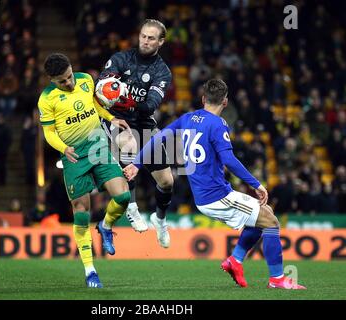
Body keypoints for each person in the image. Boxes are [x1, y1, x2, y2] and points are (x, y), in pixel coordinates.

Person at [124, 79, 306, 290]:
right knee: (271, 222)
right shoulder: (218, 125)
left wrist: (137, 163)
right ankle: (277, 279)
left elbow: (158, 138)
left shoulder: (187, 118)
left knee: (262, 215)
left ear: (203, 99)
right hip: (216, 196)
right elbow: (229, 160)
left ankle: (235, 261)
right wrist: (256, 184)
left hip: (207, 194)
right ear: (225, 102)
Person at [38, 53, 131, 288]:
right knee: (81, 211)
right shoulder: (47, 100)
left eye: (69, 77)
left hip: (98, 145)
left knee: (123, 196)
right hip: (73, 156)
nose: (69, 83)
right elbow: (49, 133)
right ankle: (90, 270)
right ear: (52, 80)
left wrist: (112, 118)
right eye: (62, 81)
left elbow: (95, 107)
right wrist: (63, 147)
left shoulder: (86, 80)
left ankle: (106, 225)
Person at [98, 19, 174, 247]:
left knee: (167, 181)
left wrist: (126, 98)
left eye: (151, 38)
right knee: (129, 143)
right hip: (116, 119)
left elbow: (150, 104)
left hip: (144, 122)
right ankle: (131, 207)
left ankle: (160, 220)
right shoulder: (121, 58)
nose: (146, 41)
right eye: (143, 36)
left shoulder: (163, 71)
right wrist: (113, 94)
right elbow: (103, 85)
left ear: (161, 41)